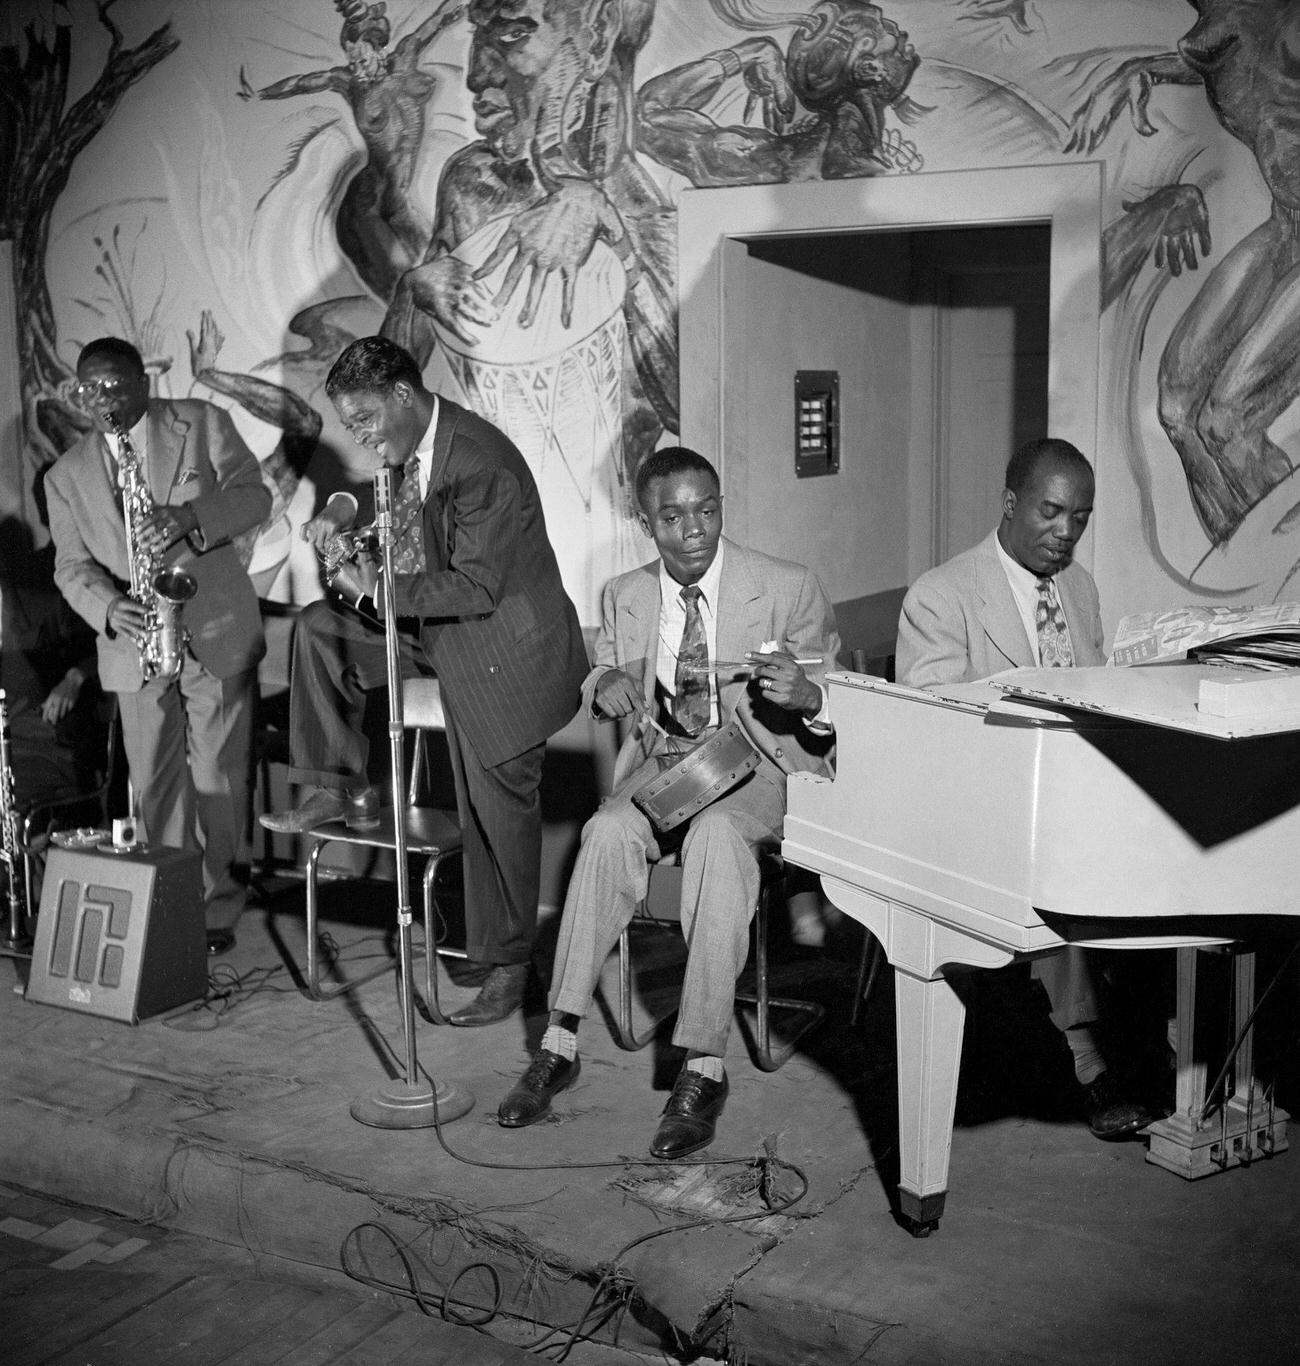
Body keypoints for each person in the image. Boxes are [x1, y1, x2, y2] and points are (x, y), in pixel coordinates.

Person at [495, 446, 839, 1159]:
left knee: (716, 838)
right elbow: (603, 672)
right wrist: (605, 687)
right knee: (604, 832)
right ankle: (559, 1041)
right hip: (666, 767)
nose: (695, 530)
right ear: (645, 522)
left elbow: (841, 696)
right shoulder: (625, 593)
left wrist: (810, 696)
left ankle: (703, 1065)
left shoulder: (786, 586)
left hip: (756, 768)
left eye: (707, 510)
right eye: (674, 517)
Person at [260, 336, 587, 1027]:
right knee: (320, 629)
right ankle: (338, 786)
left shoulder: (480, 462)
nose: (358, 436)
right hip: (437, 630)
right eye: (349, 423)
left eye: (364, 420)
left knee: (497, 815)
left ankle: (511, 965)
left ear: (404, 395)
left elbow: (477, 585)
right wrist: (343, 515)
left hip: (502, 649)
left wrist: (376, 589)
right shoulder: (414, 444)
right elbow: (397, 513)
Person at [895, 436, 1157, 1140]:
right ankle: (1087, 1059)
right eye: (1051, 512)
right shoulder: (941, 595)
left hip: (1075, 796)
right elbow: (936, 736)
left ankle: (1158, 1037)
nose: (1066, 532)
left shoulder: (1079, 587)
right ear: (1011, 503)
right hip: (977, 812)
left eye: (1081, 517)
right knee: (1058, 866)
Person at [45, 338, 271, 955]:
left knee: (219, 776)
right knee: (153, 783)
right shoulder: (65, 475)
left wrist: (189, 516)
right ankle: (170, 901)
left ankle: (217, 906)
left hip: (214, 624)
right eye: (89, 390)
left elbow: (255, 497)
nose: (103, 400)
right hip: (135, 637)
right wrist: (106, 606)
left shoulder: (201, 422)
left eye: (114, 385)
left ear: (142, 382)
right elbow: (70, 566)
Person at [1065, 0, 1300, 545]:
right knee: (1175, 410)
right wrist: (1147, 69)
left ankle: (1280, 569)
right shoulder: (1222, 29)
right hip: (1285, 227)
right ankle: (1242, 557)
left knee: (1227, 419)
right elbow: (1239, 56)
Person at [238, 0, 465, 301]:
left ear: (378, 50)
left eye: (362, 60)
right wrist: (261, 94)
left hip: (397, 201)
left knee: (440, 268)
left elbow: (437, 19)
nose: (357, 69)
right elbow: (303, 83)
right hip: (367, 202)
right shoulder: (349, 83)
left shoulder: (405, 57)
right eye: (352, 62)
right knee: (400, 289)